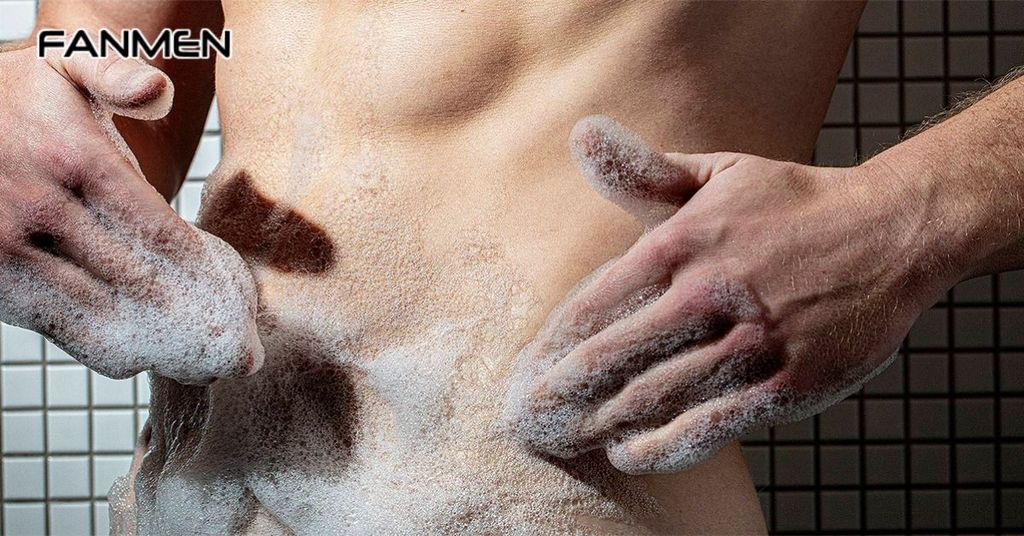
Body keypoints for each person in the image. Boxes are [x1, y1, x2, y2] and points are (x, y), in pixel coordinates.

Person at [5, 0, 997, 533]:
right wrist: (26, 91)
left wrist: (904, 217)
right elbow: (126, 54)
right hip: (191, 496)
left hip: (544, 500)